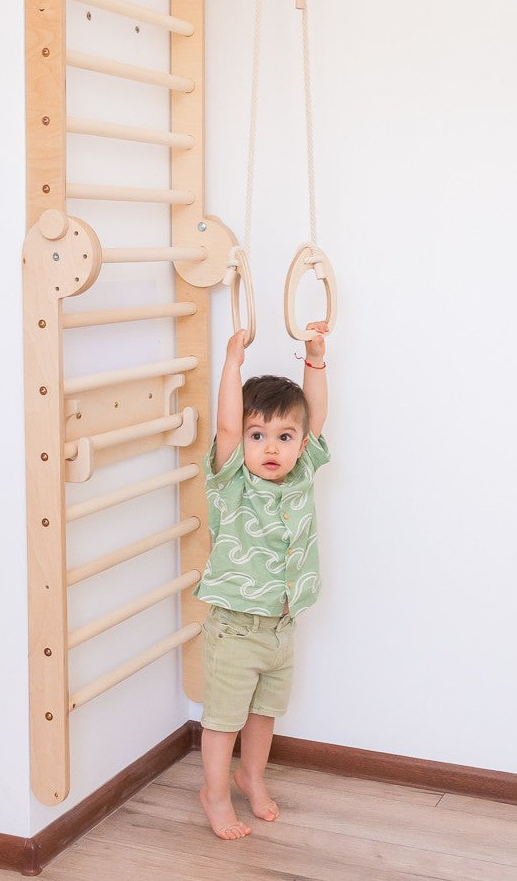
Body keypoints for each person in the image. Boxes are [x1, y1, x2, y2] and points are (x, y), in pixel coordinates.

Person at [195, 321, 330, 840]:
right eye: (258, 435)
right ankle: (214, 792)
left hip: (281, 624)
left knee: (265, 713)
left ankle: (251, 775)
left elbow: (315, 414)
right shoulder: (231, 478)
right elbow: (227, 426)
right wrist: (232, 364)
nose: (270, 447)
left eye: (283, 437)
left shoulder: (301, 472)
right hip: (234, 628)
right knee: (224, 719)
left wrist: (314, 359)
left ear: (299, 444)